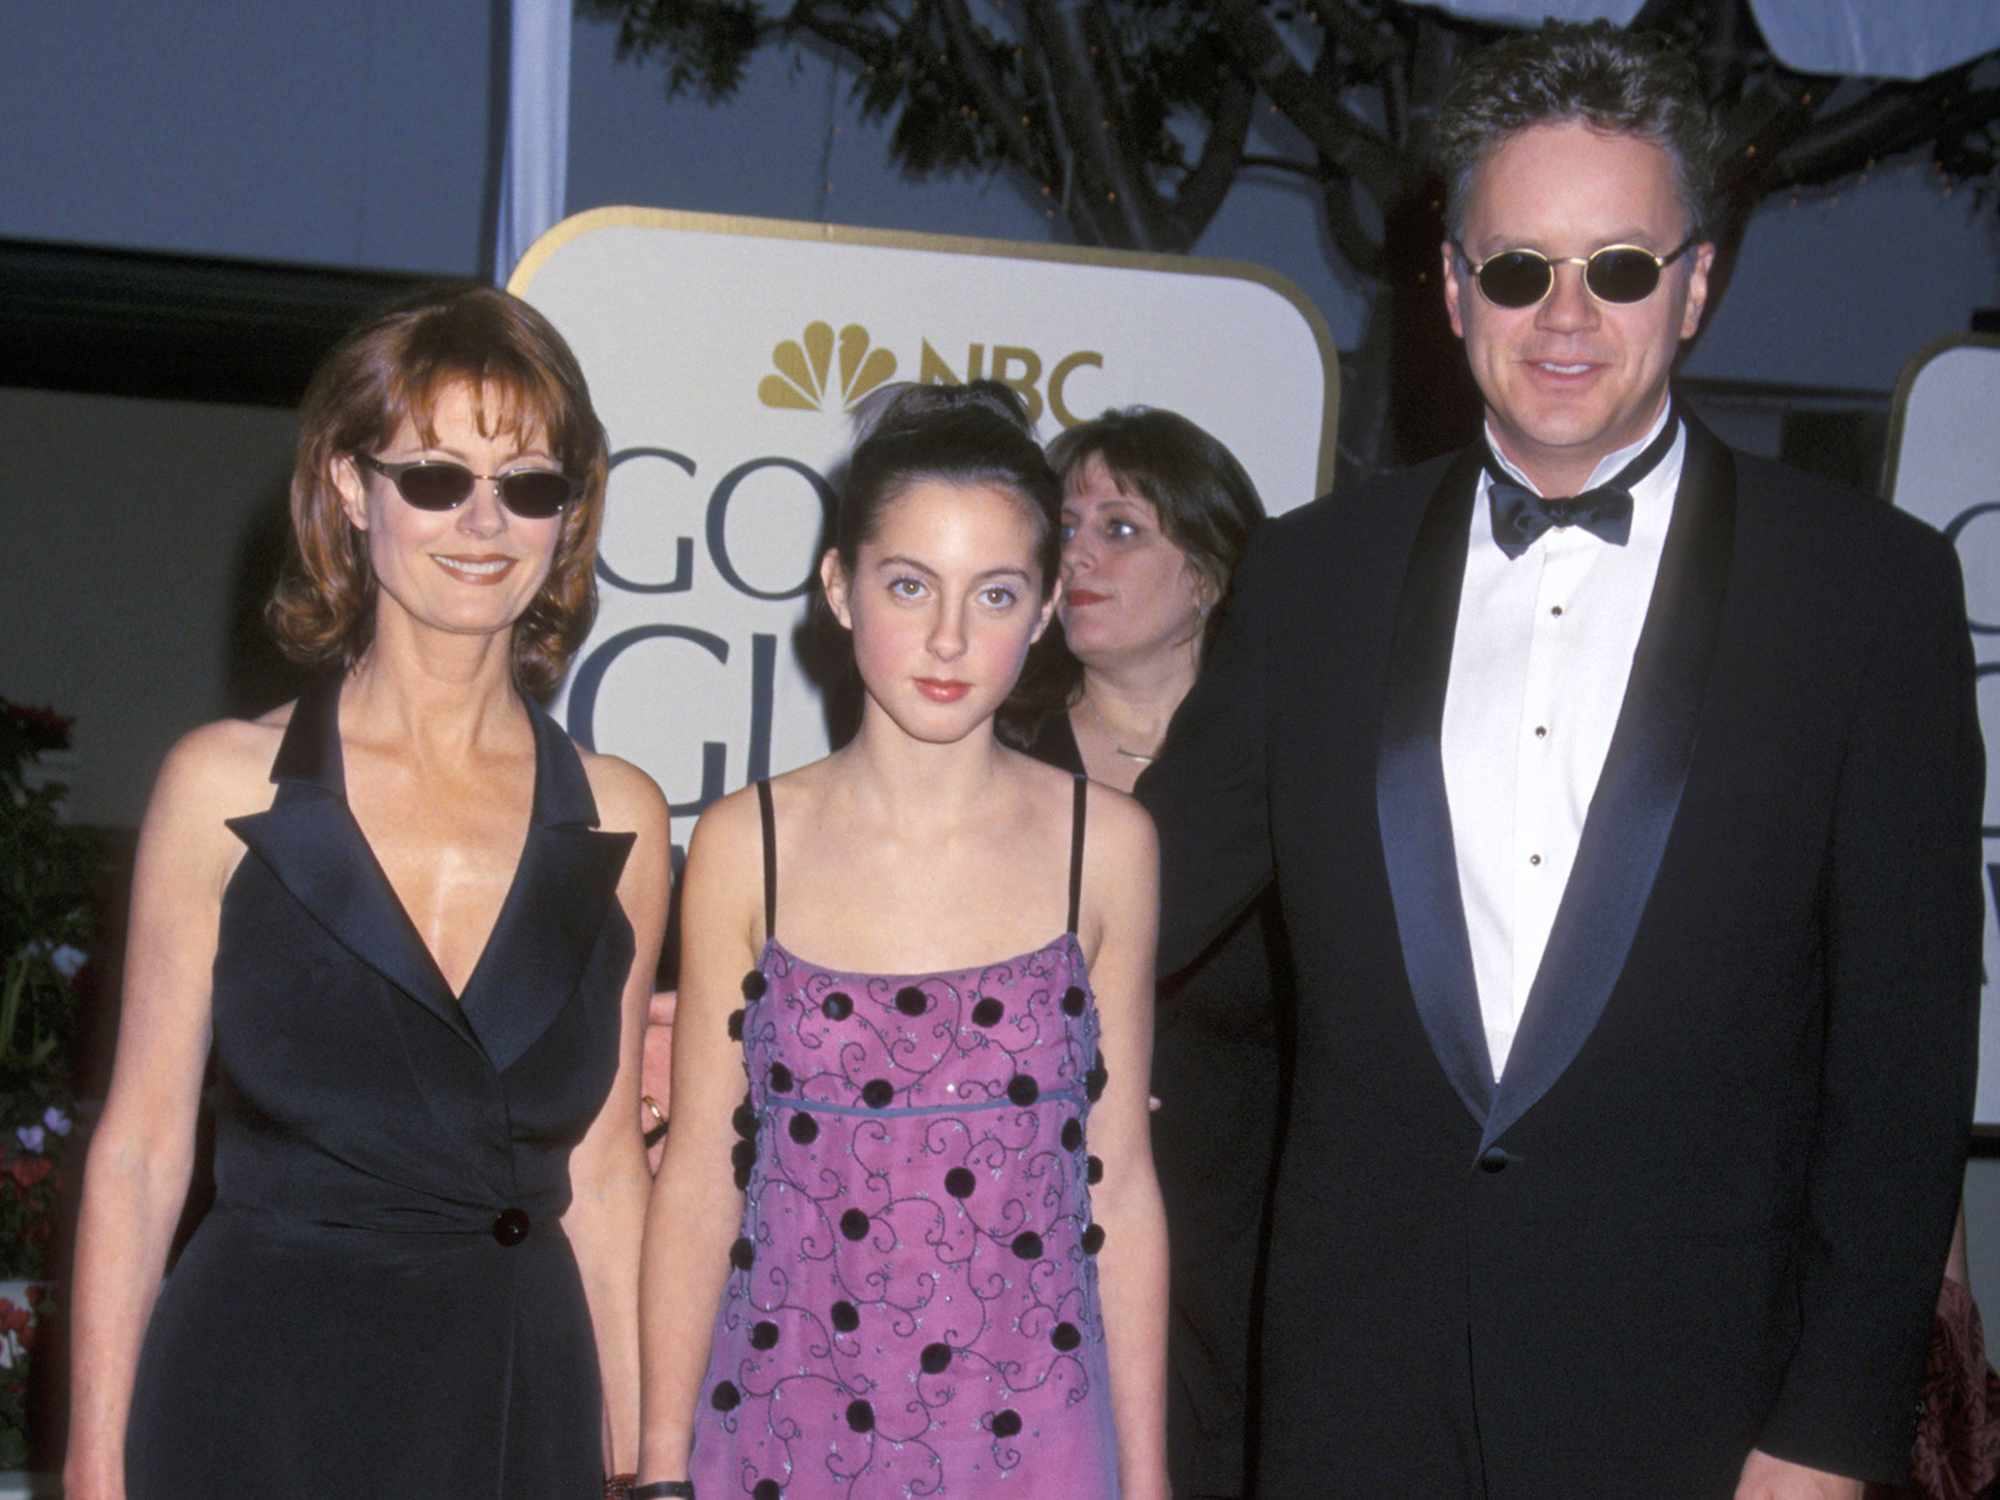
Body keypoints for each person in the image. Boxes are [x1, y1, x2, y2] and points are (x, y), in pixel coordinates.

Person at [1137, 22, 1982, 1500]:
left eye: (1622, 267)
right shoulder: (1313, 575)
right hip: (1356, 1396)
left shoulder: (1867, 592)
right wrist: (773, 985)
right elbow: (1127, 900)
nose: (1566, 317)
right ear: (1455, 287)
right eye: (1519, 268)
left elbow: (1903, 1072)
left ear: (1699, 283)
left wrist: (1830, 1432)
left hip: (1703, 1414)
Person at [63, 285, 670, 1499]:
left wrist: (650, 1463)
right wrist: (92, 1465)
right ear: (352, 488)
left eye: (530, 485)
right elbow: (136, 1154)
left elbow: (605, 1173)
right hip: (256, 1394)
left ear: (569, 514)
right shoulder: (221, 788)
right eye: (436, 478)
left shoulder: (620, 817)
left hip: (514, 1401)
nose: (483, 522)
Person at [637, 382, 1170, 1500]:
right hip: (782, 1434)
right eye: (907, 584)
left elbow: (1116, 1189)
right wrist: (656, 1471)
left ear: (1041, 612)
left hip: (1034, 1448)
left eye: (993, 595)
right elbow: (698, 1180)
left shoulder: (1105, 847)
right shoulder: (746, 843)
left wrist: (1149, 1481)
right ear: (837, 587)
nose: (945, 637)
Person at [1013, 406, 1284, 1500]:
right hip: (1024, 1246)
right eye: (1063, 523)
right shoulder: (988, 758)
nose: (1073, 552)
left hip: (1235, 1261)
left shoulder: (1294, 785)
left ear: (1210, 572)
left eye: (1119, 527)